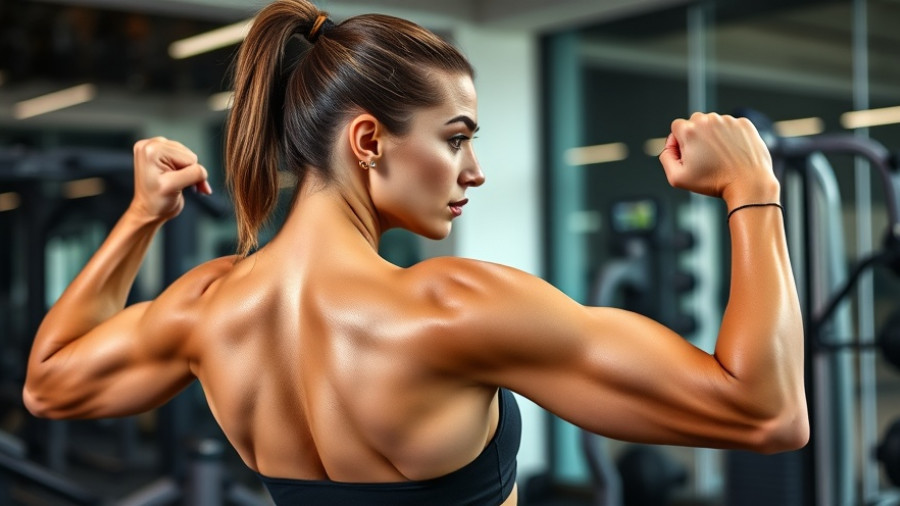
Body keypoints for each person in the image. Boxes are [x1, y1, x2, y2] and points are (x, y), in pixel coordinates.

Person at [22, 0, 809, 504]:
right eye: (456, 138)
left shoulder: (205, 304)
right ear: (369, 140)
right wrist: (753, 190)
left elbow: (50, 386)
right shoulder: (454, 307)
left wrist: (139, 218)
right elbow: (765, 413)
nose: (474, 170)